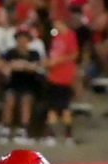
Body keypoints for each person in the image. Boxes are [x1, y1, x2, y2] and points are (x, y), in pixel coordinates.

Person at [0, 29, 44, 144]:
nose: (22, 41)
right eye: (20, 39)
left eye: (25, 39)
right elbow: (3, 66)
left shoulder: (34, 54)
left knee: (26, 100)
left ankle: (23, 130)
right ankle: (5, 128)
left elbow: (37, 67)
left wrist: (23, 65)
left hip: (29, 86)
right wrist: (11, 66)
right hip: (13, 85)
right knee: (10, 99)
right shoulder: (10, 53)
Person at [44, 16, 80, 146]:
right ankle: (52, 134)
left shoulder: (70, 36)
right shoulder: (56, 38)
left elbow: (74, 54)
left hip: (64, 77)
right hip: (54, 76)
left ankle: (68, 135)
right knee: (53, 107)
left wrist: (57, 61)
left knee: (64, 107)